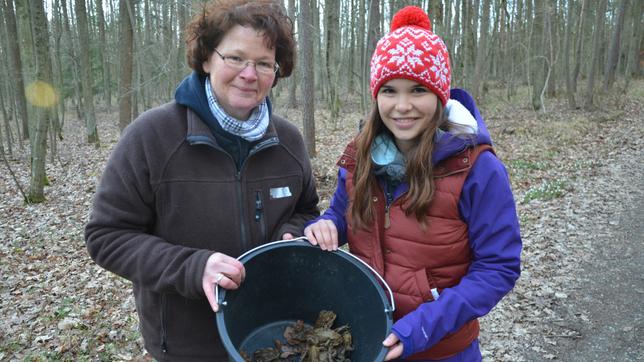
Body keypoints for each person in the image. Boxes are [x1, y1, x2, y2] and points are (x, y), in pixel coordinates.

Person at [85, 0, 319, 360]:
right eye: (236, 58)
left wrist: (292, 232)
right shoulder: (153, 137)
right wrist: (194, 268)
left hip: (273, 338)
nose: (249, 74)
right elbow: (107, 236)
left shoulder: (288, 143)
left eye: (263, 64)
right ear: (207, 57)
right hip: (188, 344)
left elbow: (306, 210)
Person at [304, 6, 521, 362]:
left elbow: (498, 267)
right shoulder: (360, 158)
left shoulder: (477, 169)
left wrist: (422, 327)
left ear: (439, 94)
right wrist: (325, 226)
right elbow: (340, 217)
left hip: (443, 350)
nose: (402, 106)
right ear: (376, 96)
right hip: (366, 339)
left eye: (417, 89)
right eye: (389, 90)